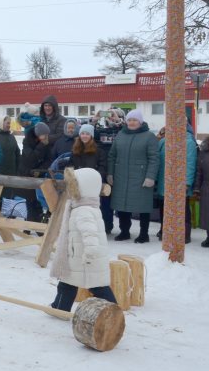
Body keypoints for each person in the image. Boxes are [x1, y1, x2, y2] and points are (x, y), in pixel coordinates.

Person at [50, 168, 117, 311]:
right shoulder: (85, 207)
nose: (70, 189)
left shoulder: (83, 211)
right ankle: (60, 308)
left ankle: (113, 310)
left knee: (98, 287)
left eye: (73, 185)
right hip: (77, 258)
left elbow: (90, 234)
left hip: (85, 259)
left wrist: (90, 252)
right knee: (67, 284)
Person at [107, 109, 159, 242]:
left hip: (141, 178)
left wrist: (150, 177)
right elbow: (112, 156)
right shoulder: (120, 135)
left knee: (143, 206)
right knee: (122, 205)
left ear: (140, 122)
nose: (132, 122)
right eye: (130, 120)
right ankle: (124, 232)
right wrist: (110, 174)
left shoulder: (149, 136)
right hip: (121, 177)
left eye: (135, 120)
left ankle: (144, 234)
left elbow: (154, 158)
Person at [154, 120, 197, 243]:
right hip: (164, 181)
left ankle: (184, 234)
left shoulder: (189, 142)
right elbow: (158, 160)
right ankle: (164, 230)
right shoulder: (163, 141)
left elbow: (190, 164)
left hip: (181, 182)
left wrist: (187, 183)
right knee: (164, 207)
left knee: (182, 209)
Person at [17, 122, 52, 223]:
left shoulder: (45, 142)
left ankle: (37, 225)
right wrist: (41, 145)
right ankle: (30, 225)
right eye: (44, 135)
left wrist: (40, 170)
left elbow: (48, 159)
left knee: (38, 202)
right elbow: (30, 158)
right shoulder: (27, 141)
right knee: (30, 201)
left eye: (47, 135)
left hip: (39, 174)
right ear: (38, 134)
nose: (46, 137)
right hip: (26, 173)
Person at [193, 138, 209, 247]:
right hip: (206, 187)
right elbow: (199, 172)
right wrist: (197, 188)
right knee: (207, 213)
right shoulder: (204, 151)